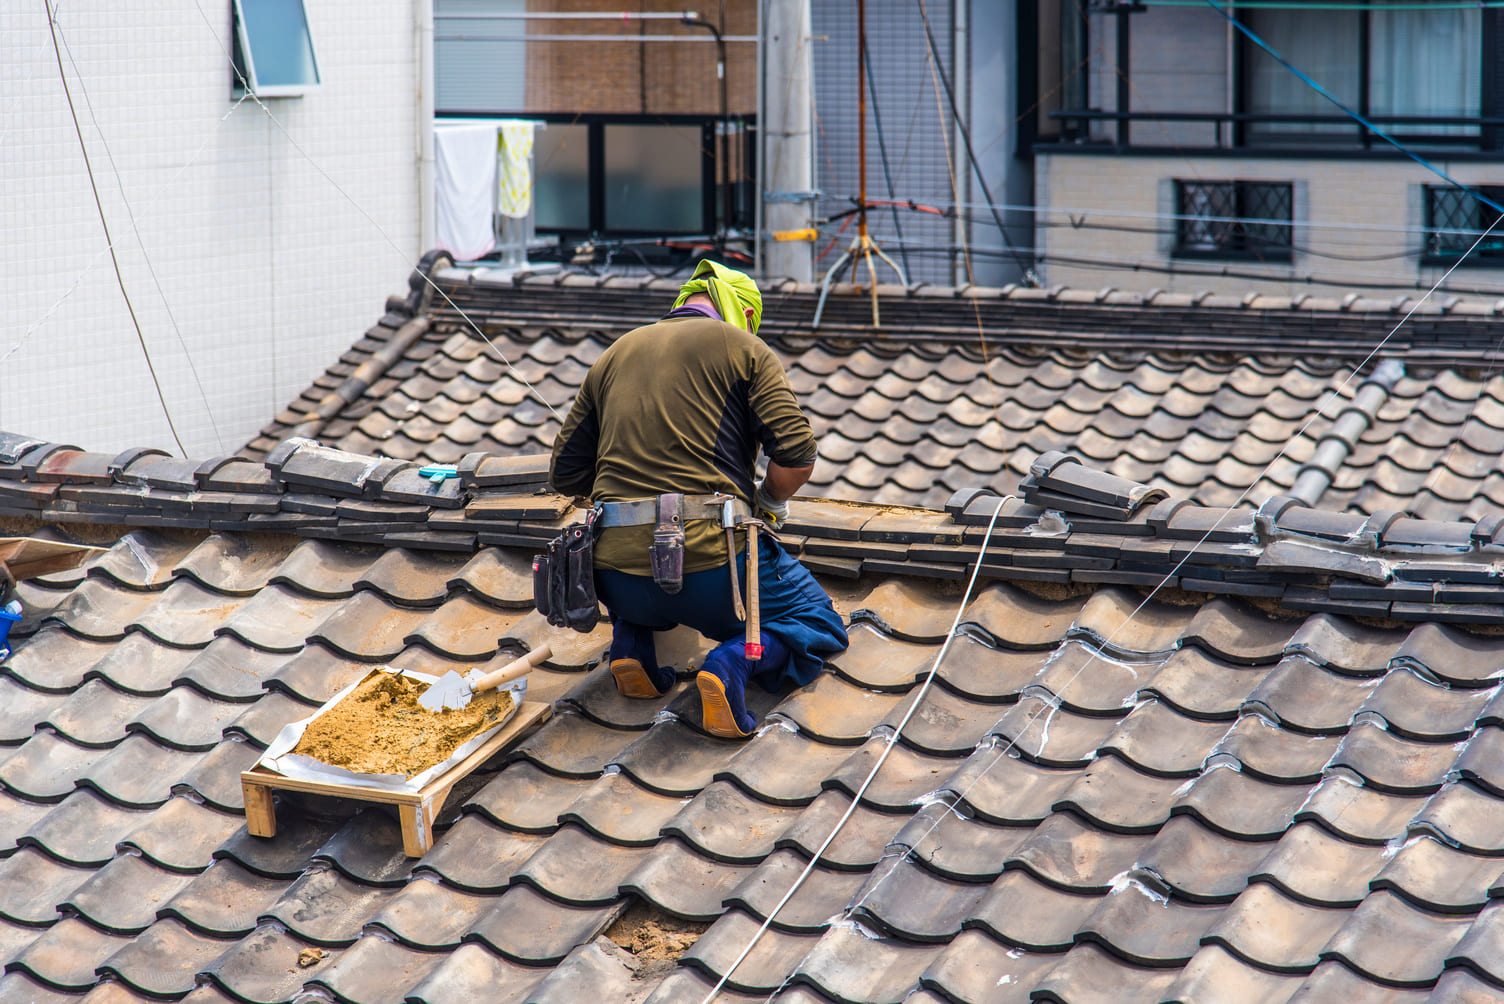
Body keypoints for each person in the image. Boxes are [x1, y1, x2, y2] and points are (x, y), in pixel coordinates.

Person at [549, 259, 848, 739]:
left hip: (614, 578)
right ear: (743, 314)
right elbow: (796, 455)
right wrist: (769, 501)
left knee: (640, 591)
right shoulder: (744, 347)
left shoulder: (614, 353)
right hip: (710, 572)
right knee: (817, 618)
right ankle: (730, 664)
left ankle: (630, 648)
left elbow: (565, 473)